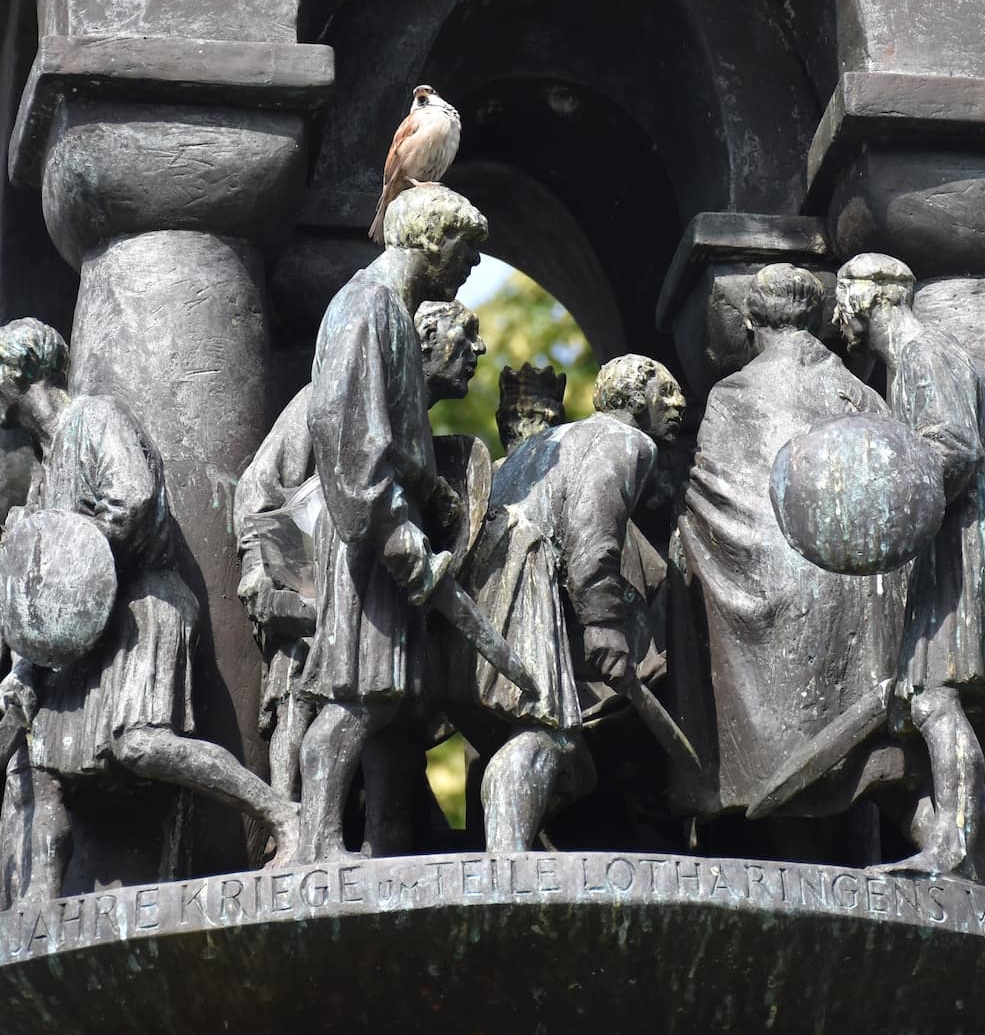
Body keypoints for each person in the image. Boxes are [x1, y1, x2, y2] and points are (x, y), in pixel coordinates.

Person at [0, 318, 299, 900]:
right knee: (45, 765)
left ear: (20, 370)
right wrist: (24, 669)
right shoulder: (43, 468)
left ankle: (280, 813)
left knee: (140, 744)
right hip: (83, 631)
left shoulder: (95, 419)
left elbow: (132, 499)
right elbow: (35, 583)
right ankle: (39, 902)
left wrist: (72, 551)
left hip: (141, 608)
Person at [669, 264, 905, 854]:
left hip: (769, 592)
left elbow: (711, 494)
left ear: (751, 323)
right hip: (855, 588)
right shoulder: (863, 393)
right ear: (820, 321)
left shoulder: (732, 393)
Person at [296, 184, 487, 862]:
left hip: (389, 521)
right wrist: (395, 529)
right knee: (359, 695)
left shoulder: (390, 309)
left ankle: (379, 845)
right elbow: (344, 426)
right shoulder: (370, 302)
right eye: (466, 249)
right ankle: (319, 842)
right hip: (373, 532)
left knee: (391, 698)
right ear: (432, 239)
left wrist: (428, 494)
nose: (471, 265)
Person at [234, 300, 485, 802]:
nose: (478, 349)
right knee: (302, 700)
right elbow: (255, 489)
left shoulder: (415, 432)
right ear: (424, 343)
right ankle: (288, 819)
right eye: (465, 334)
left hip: (376, 601)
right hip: (309, 585)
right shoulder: (329, 395)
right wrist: (261, 570)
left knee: (385, 722)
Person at [834, 253, 985, 877]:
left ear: (872, 296)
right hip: (965, 529)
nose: (838, 312)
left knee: (933, 698)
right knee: (941, 703)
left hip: (964, 533)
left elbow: (954, 448)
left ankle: (952, 850)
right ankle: (977, 868)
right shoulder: (918, 358)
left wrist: (885, 514)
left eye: (843, 294)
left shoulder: (921, 353)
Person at [446, 353, 686, 852]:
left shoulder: (548, 442)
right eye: (664, 391)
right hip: (521, 583)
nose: (679, 402)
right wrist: (603, 624)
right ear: (633, 398)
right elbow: (593, 534)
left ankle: (510, 848)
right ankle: (506, 864)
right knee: (546, 733)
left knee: (563, 757)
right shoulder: (625, 441)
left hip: (476, 592)